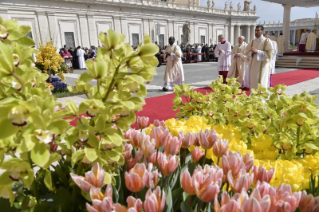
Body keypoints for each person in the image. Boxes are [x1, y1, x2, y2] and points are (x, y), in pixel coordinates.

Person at [245, 25, 274, 90]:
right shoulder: (252, 41)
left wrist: (258, 51)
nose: (256, 32)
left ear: (262, 31)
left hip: (262, 66)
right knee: (253, 81)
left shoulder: (266, 41)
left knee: (261, 83)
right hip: (254, 66)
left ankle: (261, 99)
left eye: (258, 30)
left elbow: (270, 54)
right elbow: (246, 52)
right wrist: (251, 53)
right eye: (255, 30)